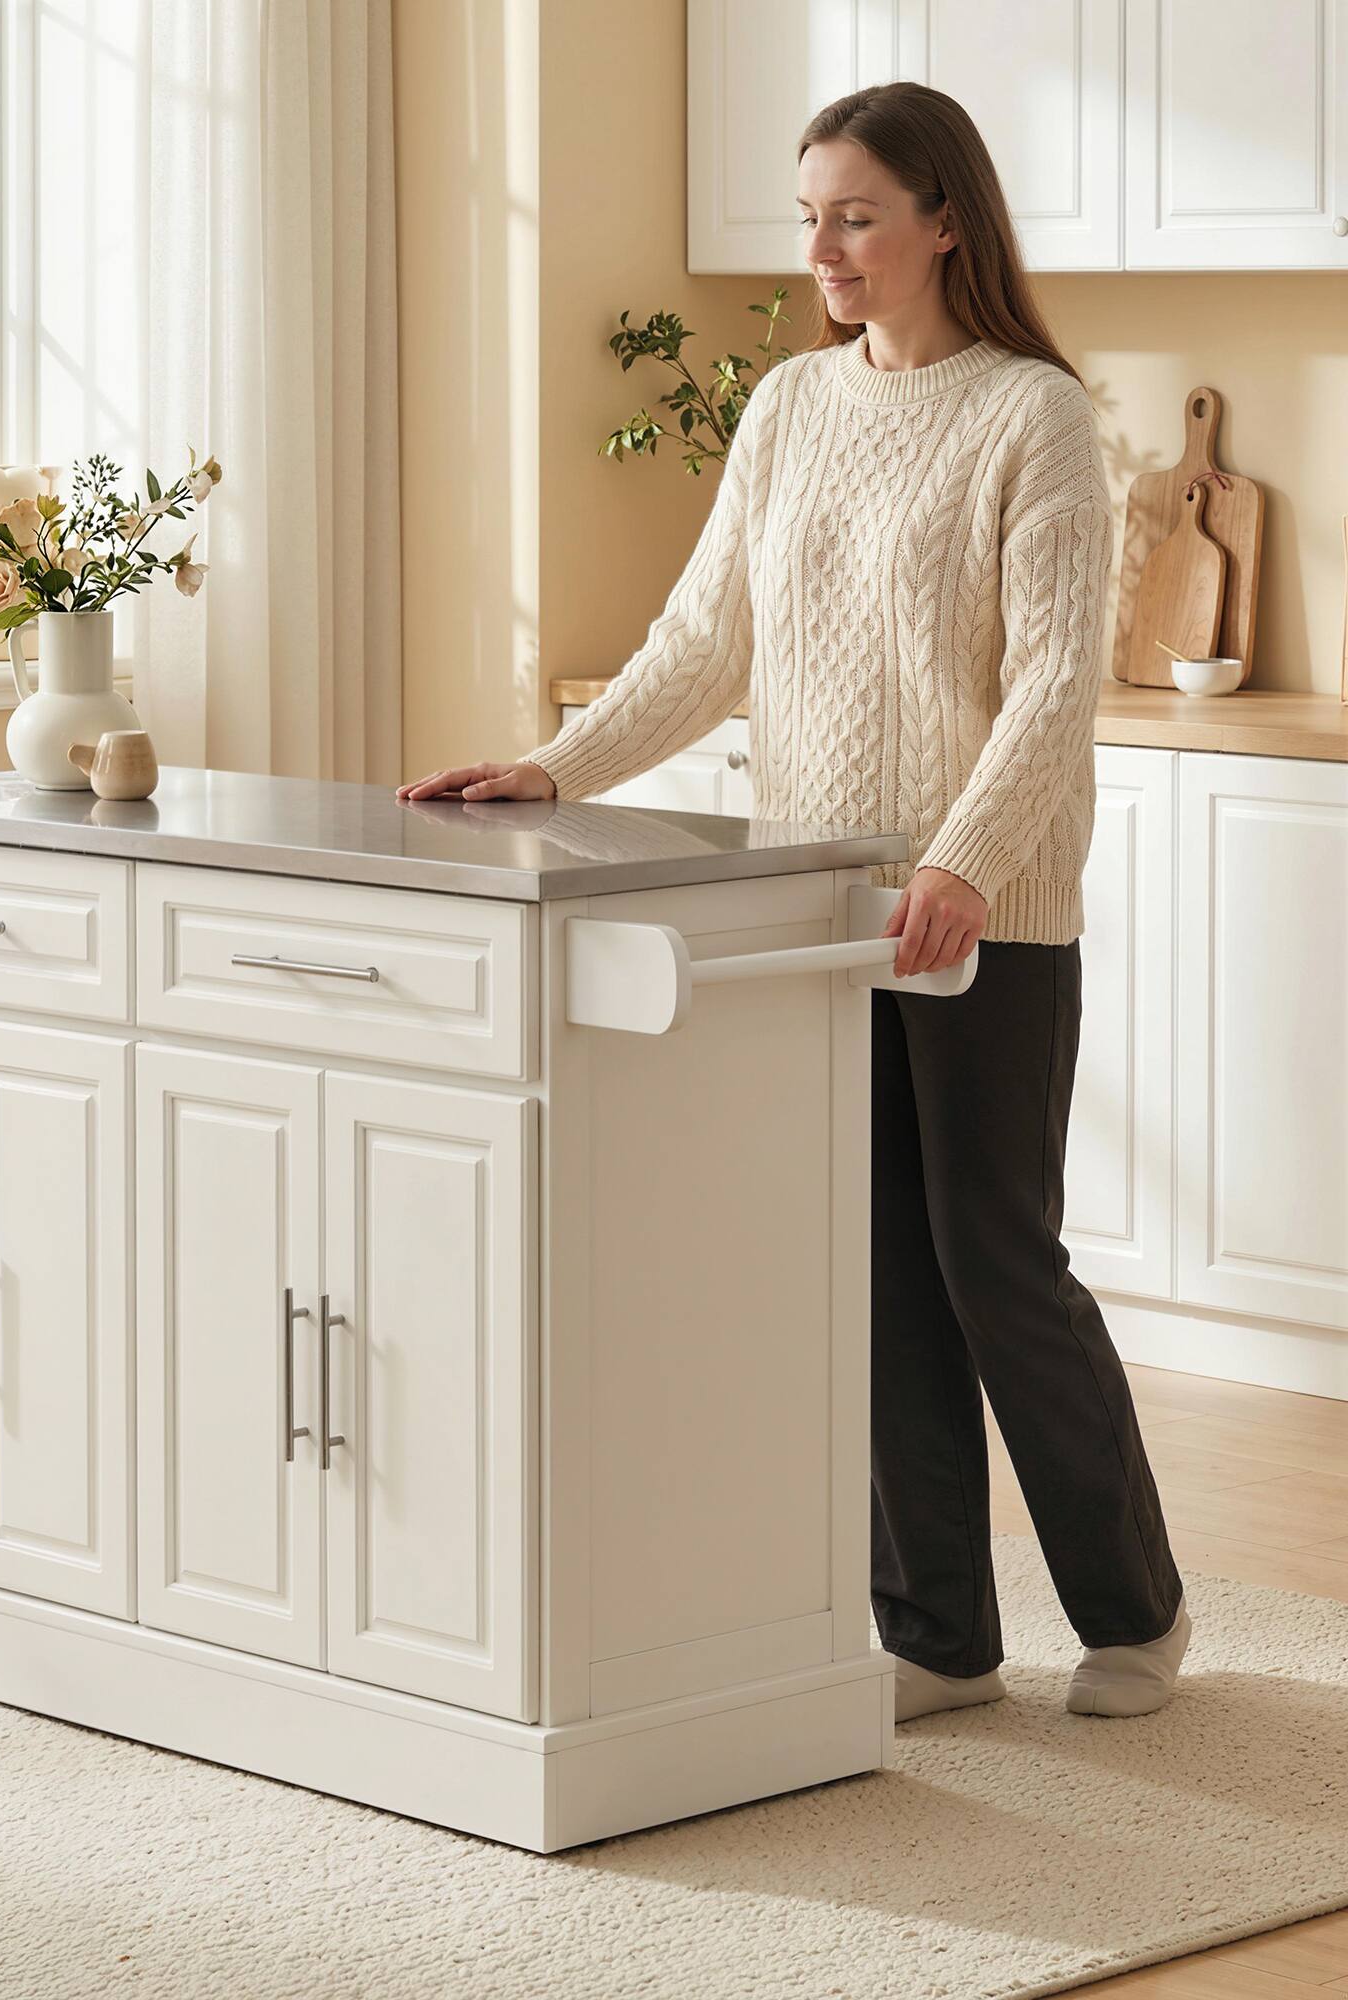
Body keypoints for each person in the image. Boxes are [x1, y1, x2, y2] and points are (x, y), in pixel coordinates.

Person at [396, 81, 1191, 1725]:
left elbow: (1054, 686)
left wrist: (966, 861)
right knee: (874, 1270)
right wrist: (557, 768)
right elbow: (703, 641)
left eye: (856, 216)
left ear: (944, 221)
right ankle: (940, 1636)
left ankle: (1135, 1612)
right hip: (815, 906)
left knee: (996, 1263)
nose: (823, 248)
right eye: (810, 213)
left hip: (987, 914)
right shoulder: (789, 408)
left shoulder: (1032, 416)